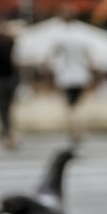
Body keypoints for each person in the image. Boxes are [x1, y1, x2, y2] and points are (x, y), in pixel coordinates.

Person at [45, 11, 95, 145]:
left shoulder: (59, 35)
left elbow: (51, 56)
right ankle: (80, 129)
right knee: (79, 105)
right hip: (81, 75)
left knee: (70, 106)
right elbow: (90, 56)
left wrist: (51, 71)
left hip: (66, 76)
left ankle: (74, 130)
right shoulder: (82, 34)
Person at [0, 22, 21, 150]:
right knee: (6, 109)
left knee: (2, 110)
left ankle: (7, 135)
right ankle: (9, 134)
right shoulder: (9, 43)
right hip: (8, 79)